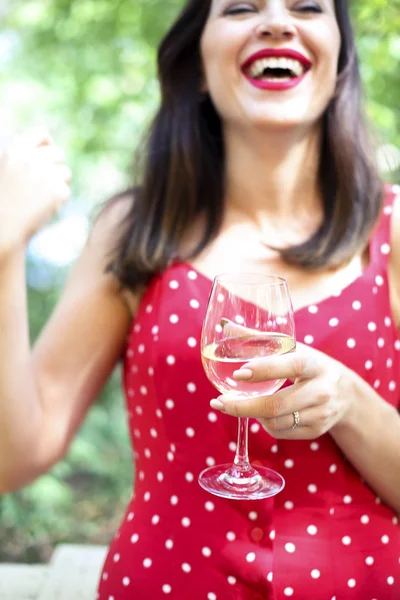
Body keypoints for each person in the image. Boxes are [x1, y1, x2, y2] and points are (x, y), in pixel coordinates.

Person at [0, 0, 399, 598]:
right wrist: (4, 247)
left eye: (307, 7)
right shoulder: (135, 228)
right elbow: (16, 455)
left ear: (339, 56)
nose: (276, 21)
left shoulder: (391, 227)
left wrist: (350, 403)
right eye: (240, 7)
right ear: (197, 61)